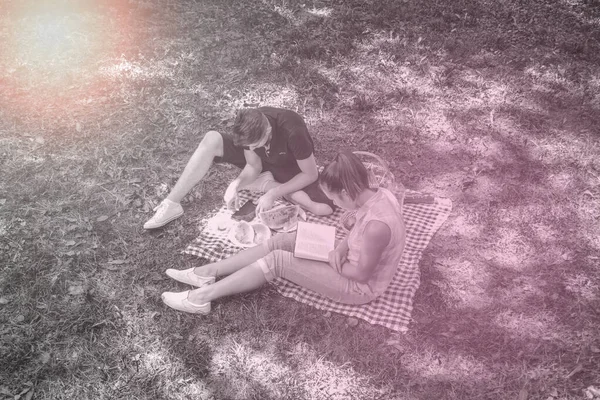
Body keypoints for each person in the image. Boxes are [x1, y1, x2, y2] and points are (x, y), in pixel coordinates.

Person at [161, 151, 406, 314]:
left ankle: (202, 297)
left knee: (278, 261)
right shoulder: (378, 194)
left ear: (345, 193)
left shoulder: (377, 227)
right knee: (284, 240)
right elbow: (355, 237)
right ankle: (208, 272)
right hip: (347, 259)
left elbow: (362, 276)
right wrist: (341, 248)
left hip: (358, 286)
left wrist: (331, 260)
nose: (335, 205)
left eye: (333, 199)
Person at [144, 107, 334, 229]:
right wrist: (236, 184)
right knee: (212, 138)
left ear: (267, 131)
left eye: (254, 145)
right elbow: (253, 165)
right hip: (265, 165)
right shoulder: (250, 131)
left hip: (289, 167)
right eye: (248, 146)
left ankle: (267, 185)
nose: (250, 149)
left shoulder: (293, 131)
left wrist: (274, 193)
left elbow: (310, 173)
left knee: (325, 204)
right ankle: (172, 203)